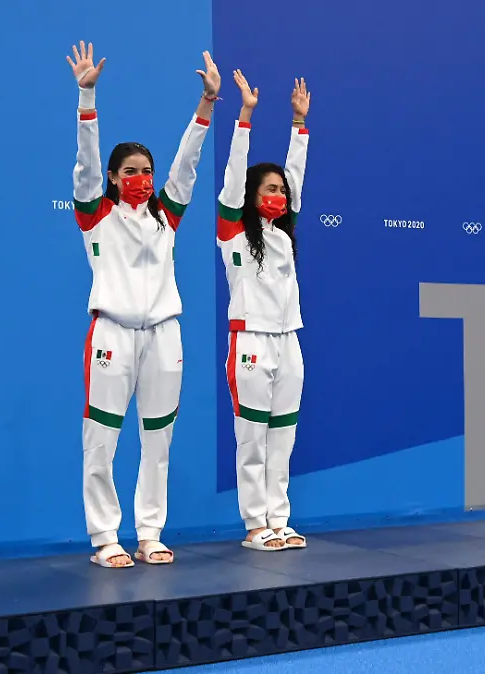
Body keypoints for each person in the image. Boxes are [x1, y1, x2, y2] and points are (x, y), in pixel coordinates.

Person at [68, 41, 222, 567]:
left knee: (158, 441)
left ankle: (150, 532)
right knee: (102, 441)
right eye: (130, 171)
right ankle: (106, 538)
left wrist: (206, 105)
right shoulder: (96, 215)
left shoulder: (165, 216)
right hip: (111, 332)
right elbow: (86, 166)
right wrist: (86, 100)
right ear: (114, 179)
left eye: (146, 170)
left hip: (164, 335)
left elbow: (188, 166)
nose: (142, 178)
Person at [217, 69, 311, 551]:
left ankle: (280, 518)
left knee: (283, 438)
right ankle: (256, 525)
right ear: (251, 196)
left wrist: (299, 123)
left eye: (281, 191)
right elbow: (235, 175)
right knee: (252, 439)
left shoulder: (283, 233)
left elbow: (296, 177)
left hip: (288, 339)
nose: (276, 195)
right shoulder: (232, 232)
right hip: (249, 340)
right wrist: (246, 116)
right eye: (267, 189)